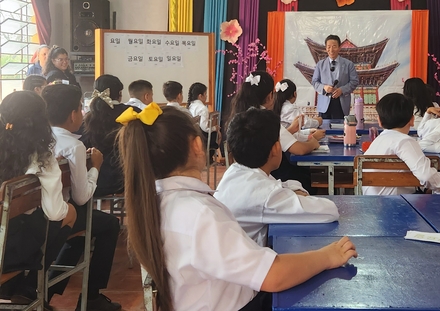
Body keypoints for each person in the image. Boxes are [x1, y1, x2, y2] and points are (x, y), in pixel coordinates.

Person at [115, 104, 357, 311]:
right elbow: (273, 275)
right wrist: (328, 256)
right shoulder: (198, 213)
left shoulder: (159, 201)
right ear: (198, 146)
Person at [42, 84, 121, 311]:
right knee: (108, 224)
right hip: (61, 216)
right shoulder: (73, 145)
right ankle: (91, 296)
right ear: (73, 115)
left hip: (40, 216)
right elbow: (82, 196)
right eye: (80, 109)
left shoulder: (40, 139)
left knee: (84, 228)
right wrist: (95, 167)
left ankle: (49, 289)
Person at [215, 108, 339, 247]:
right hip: (245, 265)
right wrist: (297, 193)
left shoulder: (236, 172)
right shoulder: (264, 194)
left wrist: (292, 190)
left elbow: (283, 185)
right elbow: (329, 211)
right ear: (275, 148)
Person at [0, 91, 76, 307]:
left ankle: (14, 287)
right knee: (67, 213)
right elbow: (55, 212)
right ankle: (29, 286)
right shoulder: (42, 155)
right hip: (9, 252)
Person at [228, 71, 321, 194]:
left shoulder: (239, 116)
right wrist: (313, 143)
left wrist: (290, 130)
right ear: (269, 96)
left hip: (246, 177)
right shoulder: (265, 119)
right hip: (269, 174)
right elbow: (299, 149)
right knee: (302, 175)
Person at [363, 93, 440, 195]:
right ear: (412, 120)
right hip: (396, 205)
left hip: (371, 203)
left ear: (379, 121)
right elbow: (426, 176)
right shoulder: (405, 141)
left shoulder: (378, 140)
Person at [81, 74, 140, 196]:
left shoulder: (88, 117)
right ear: (119, 94)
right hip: (127, 179)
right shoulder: (132, 113)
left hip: (96, 179)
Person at [312, 34, 359, 119]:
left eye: (334, 46)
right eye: (328, 47)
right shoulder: (320, 64)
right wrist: (324, 87)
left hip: (341, 103)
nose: (331, 50)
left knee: (340, 130)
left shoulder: (348, 64)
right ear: (326, 48)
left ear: (339, 48)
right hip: (324, 104)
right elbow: (314, 82)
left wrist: (342, 90)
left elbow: (354, 81)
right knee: (323, 130)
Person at [187, 82, 220, 160]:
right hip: (201, 138)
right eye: (205, 94)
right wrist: (215, 128)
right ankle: (209, 157)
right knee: (215, 134)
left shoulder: (190, 106)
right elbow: (205, 128)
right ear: (200, 96)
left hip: (191, 136)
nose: (206, 96)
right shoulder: (202, 108)